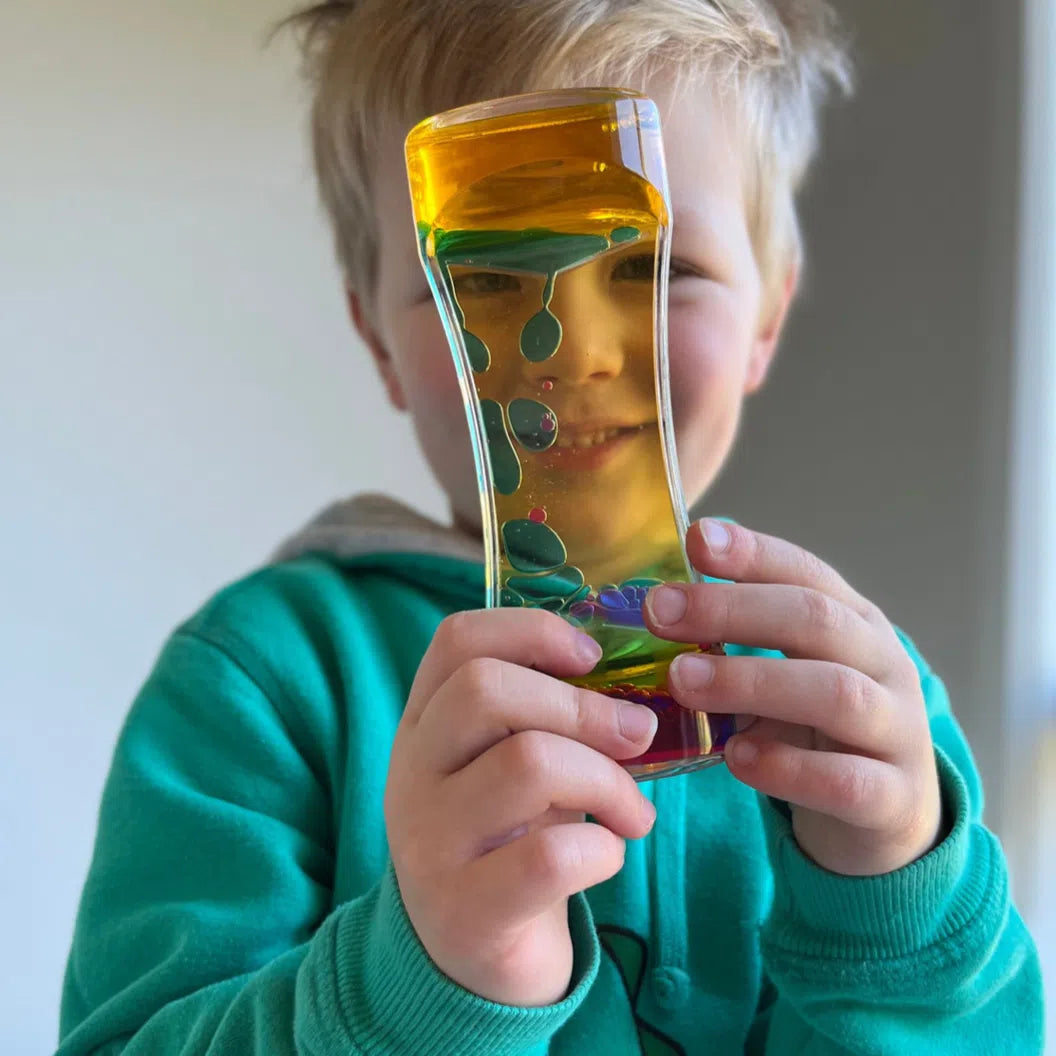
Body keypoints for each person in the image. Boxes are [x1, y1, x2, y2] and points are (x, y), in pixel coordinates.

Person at [57, 1, 1044, 1053]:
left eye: (650, 270)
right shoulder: (258, 687)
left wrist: (896, 906)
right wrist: (424, 977)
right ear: (375, 337)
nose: (572, 352)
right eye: (482, 278)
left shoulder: (852, 707)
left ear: (768, 314)